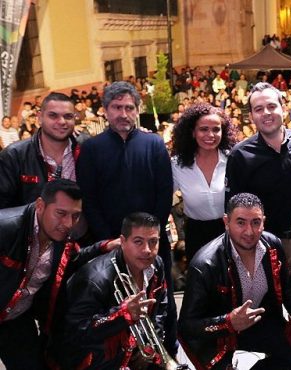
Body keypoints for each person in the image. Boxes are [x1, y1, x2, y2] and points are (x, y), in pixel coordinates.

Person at [75, 81, 177, 352]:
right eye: (116, 107)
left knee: (160, 298)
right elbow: (90, 199)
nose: (123, 113)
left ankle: (167, 350)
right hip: (109, 244)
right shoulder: (91, 149)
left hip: (152, 243)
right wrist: (111, 241)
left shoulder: (154, 144)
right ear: (105, 111)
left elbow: (164, 192)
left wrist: (147, 240)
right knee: (115, 305)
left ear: (137, 110)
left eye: (129, 107)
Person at [178, 193, 291, 370]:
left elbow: (289, 291)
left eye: (256, 222)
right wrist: (228, 321)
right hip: (217, 335)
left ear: (263, 221)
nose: (249, 231)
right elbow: (187, 326)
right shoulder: (204, 264)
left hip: (258, 323)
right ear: (226, 222)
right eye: (240, 222)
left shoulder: (272, 245)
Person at [226, 83, 291, 317]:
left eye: (271, 106)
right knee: (267, 302)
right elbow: (235, 205)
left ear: (283, 108)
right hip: (261, 244)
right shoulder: (240, 155)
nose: (266, 113)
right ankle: (280, 352)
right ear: (251, 116)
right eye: (259, 109)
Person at [0, 180, 111, 369]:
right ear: (40, 206)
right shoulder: (5, 227)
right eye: (61, 213)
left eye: (75, 216)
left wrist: (105, 246)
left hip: (16, 318)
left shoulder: (62, 238)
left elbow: (72, 259)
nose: (68, 223)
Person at [63, 212, 170, 369]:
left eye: (153, 242)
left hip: (133, 354)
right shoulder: (94, 279)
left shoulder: (157, 264)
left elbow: (160, 308)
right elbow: (75, 334)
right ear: (123, 241)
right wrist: (121, 315)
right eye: (138, 242)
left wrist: (151, 345)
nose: (147, 250)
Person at [171, 102, 236, 262]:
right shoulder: (178, 164)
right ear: (192, 132)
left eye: (216, 129)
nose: (211, 135)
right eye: (204, 129)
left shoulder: (233, 159)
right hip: (196, 234)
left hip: (232, 233)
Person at [0, 93, 79, 209]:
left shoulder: (86, 150)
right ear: (40, 117)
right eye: (53, 116)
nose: (62, 121)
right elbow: (3, 210)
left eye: (68, 116)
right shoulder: (13, 155)